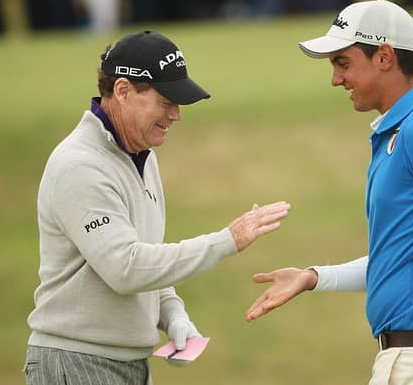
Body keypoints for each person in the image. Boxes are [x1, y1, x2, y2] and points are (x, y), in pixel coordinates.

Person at [246, 0, 413, 385]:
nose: (336, 79)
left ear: (385, 57)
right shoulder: (400, 132)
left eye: (343, 63)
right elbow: (399, 262)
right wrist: (313, 277)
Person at [24, 30, 290, 384]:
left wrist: (173, 314)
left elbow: (147, 262)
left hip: (128, 364)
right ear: (122, 91)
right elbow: (126, 268)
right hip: (77, 362)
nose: (175, 115)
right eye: (166, 101)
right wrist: (227, 240)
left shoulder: (143, 157)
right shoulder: (80, 165)